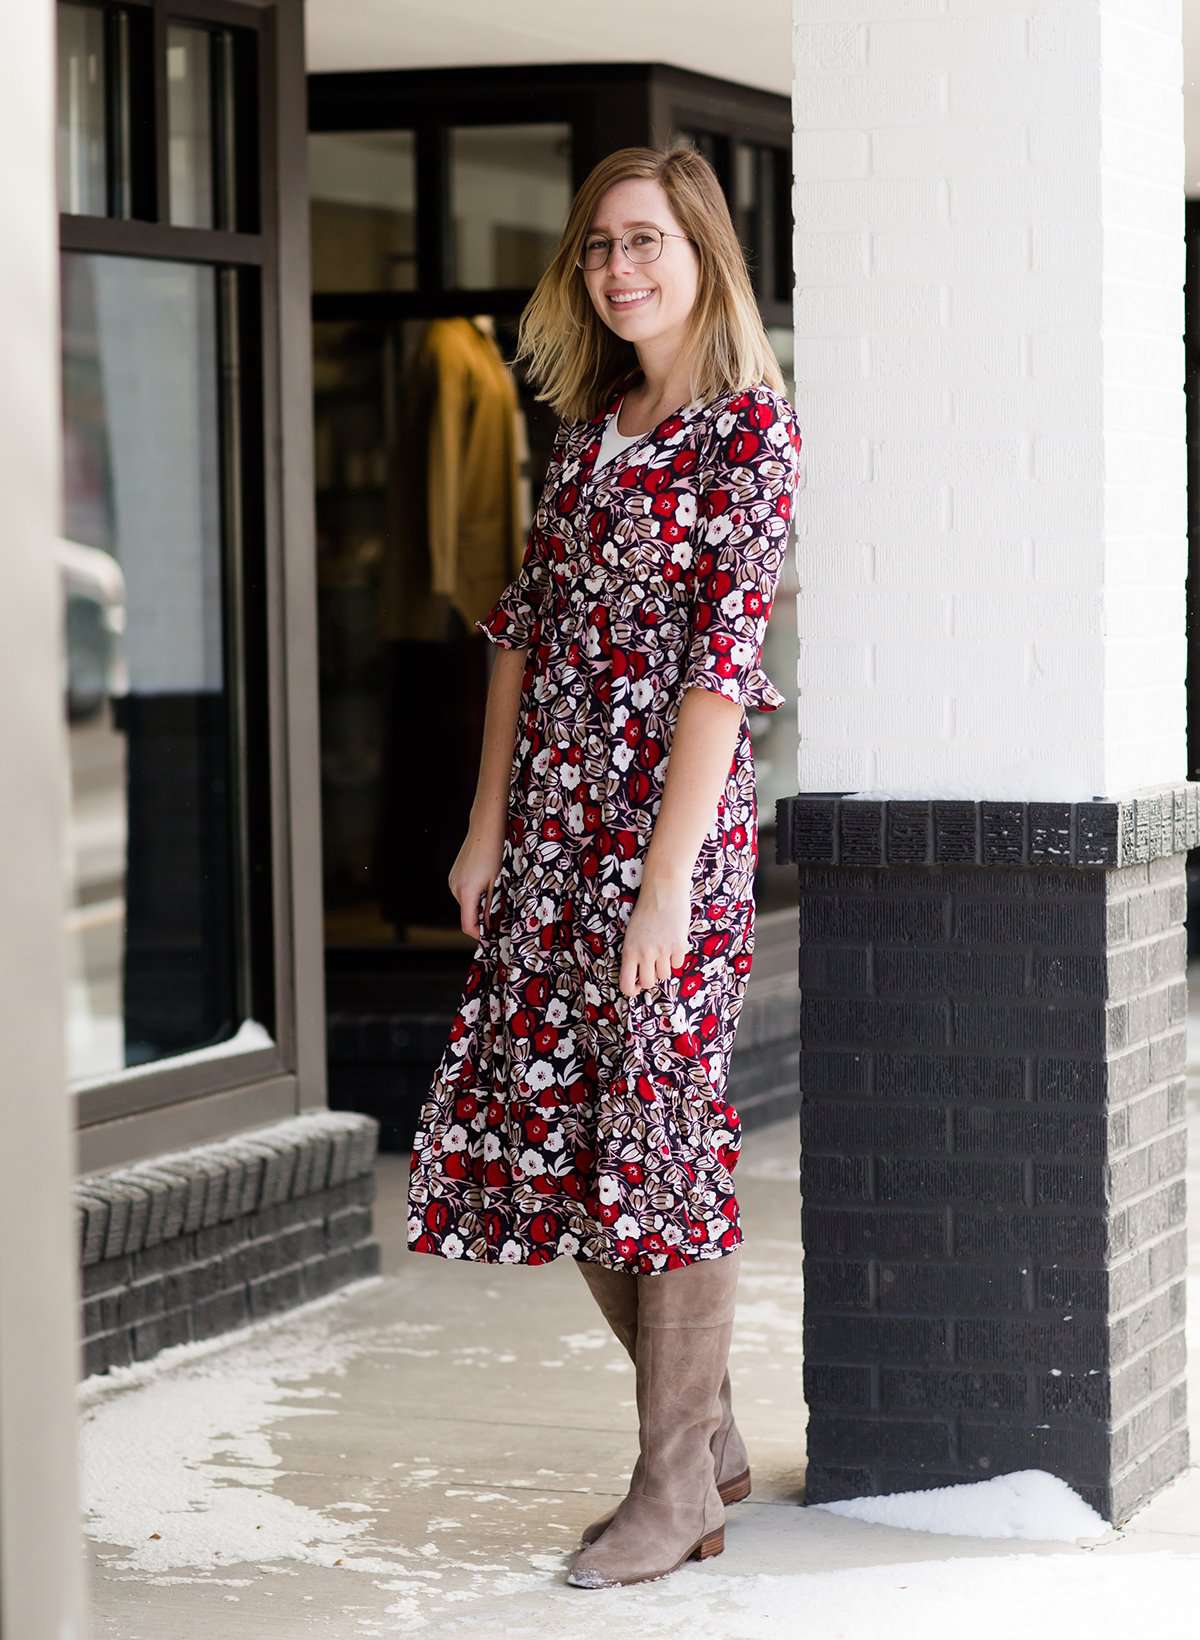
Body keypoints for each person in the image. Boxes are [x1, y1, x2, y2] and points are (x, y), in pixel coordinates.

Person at [405, 143, 804, 1589]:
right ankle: (708, 1442)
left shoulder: (748, 436)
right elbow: (519, 633)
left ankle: (668, 1484)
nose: (619, 269)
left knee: (660, 1136)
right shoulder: (592, 432)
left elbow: (719, 675)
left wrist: (664, 883)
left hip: (666, 850)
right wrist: (486, 823)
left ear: (702, 254)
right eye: (598, 248)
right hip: (554, 843)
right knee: (569, 1135)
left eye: (644, 241)